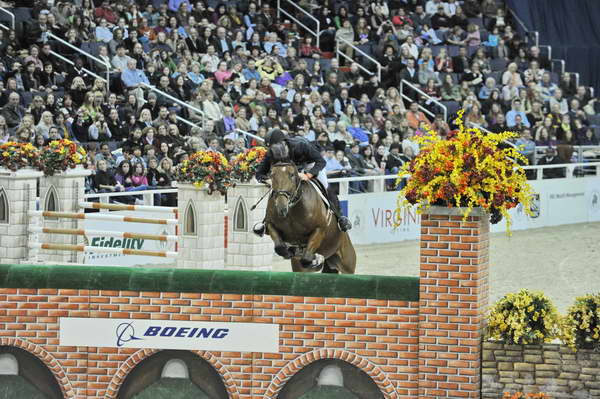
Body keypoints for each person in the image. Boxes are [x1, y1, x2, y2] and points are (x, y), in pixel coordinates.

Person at [253, 129, 352, 236]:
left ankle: (340, 217)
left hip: (310, 165)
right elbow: (259, 174)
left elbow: (321, 162)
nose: (273, 151)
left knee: (325, 186)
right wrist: (268, 180)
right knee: (277, 190)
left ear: (283, 142)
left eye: (274, 147)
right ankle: (265, 223)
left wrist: (308, 175)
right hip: (290, 171)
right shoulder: (272, 153)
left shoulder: (300, 145)